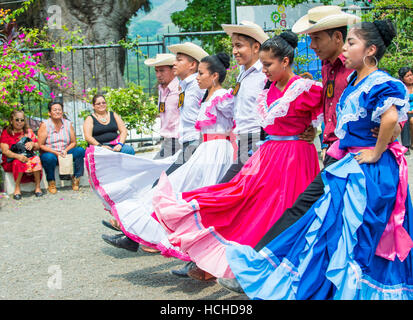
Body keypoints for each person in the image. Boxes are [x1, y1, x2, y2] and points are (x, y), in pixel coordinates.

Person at [226, 19, 413, 300]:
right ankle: (282, 268)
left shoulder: (380, 81)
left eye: (352, 43)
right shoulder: (353, 79)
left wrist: (377, 148)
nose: (346, 49)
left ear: (370, 49)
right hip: (346, 162)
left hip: (367, 168)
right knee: (329, 225)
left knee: (357, 231)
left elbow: (392, 119)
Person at [153, 31, 324, 282]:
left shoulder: (302, 88)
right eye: (263, 64)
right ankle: (224, 261)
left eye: (268, 64)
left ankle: (278, 267)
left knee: (284, 207)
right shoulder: (266, 87)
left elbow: (328, 109)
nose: (264, 69)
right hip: (267, 152)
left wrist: (314, 129)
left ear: (284, 62)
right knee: (246, 200)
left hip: (293, 156)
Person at [218, 5, 362, 293]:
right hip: (325, 153)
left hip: (346, 156)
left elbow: (359, 108)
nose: (312, 45)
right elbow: (325, 108)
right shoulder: (325, 69)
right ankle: (262, 269)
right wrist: (317, 131)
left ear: (337, 37)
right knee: (305, 214)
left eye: (316, 38)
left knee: (313, 215)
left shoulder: (350, 70)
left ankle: (263, 269)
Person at [92, 52, 236, 258]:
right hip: (192, 145)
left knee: (172, 189)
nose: (173, 65)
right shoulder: (188, 89)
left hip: (201, 148)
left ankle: (145, 235)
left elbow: (235, 122)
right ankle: (138, 233)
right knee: (164, 187)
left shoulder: (206, 92)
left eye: (178, 60)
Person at [37, 101, 86, 194]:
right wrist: (55, 152)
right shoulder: (45, 125)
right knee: (48, 158)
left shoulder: (67, 123)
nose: (57, 112)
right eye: (54, 110)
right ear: (49, 113)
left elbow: (73, 142)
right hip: (52, 153)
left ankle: (76, 178)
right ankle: (51, 182)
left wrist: (65, 150)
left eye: (59, 110)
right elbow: (41, 145)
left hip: (65, 151)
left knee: (80, 151)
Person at [144, 53, 181, 159]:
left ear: (173, 70)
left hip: (177, 139)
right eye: (156, 71)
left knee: (154, 168)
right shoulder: (161, 89)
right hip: (167, 140)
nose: (158, 75)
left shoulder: (180, 89)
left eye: (162, 71)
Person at [0, 110, 43, 200]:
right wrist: (18, 156)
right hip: (11, 160)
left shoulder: (28, 131)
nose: (19, 122)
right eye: (17, 120)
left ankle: (38, 187)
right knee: (18, 162)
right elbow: (5, 151)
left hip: (27, 157)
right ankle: (17, 188)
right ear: (11, 121)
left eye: (22, 120)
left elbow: (38, 145)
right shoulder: (6, 133)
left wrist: (32, 144)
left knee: (36, 159)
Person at [399, 67, 413, 154]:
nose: (410, 77)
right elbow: (399, 102)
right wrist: (407, 110)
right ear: (402, 78)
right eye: (407, 76)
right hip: (405, 111)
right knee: (405, 119)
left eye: (411, 75)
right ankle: (406, 145)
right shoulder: (401, 88)